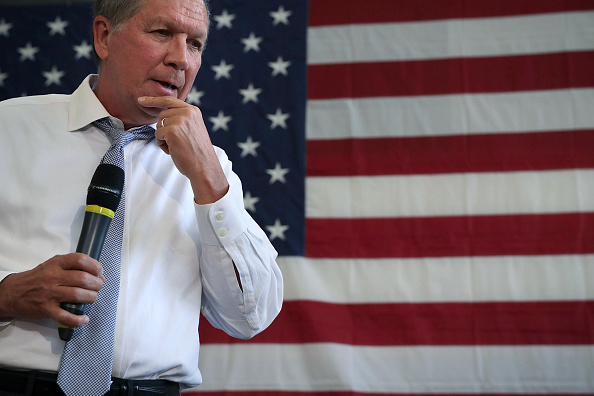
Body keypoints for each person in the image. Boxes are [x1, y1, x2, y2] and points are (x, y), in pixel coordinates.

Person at [0, 0, 283, 394]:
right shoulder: (8, 128)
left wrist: (208, 179)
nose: (181, 59)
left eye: (196, 44)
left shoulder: (210, 167)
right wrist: (7, 294)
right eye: (162, 33)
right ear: (104, 36)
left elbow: (250, 317)